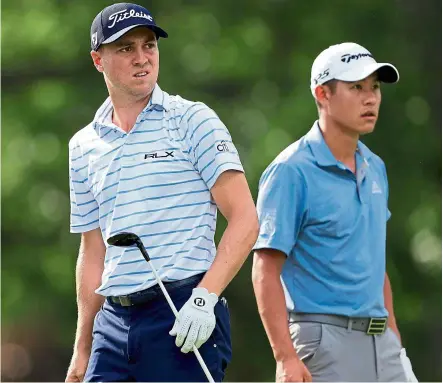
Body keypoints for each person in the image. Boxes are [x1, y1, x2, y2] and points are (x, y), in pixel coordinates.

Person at [66, 3, 259, 382]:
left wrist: (204, 299)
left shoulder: (192, 120)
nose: (142, 59)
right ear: (97, 60)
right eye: (126, 49)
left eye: (149, 45)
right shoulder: (83, 145)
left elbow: (246, 219)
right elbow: (93, 250)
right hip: (113, 325)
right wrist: (83, 346)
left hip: (181, 314)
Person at [252, 42, 418, 382]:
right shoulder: (291, 171)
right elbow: (265, 269)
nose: (370, 98)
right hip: (323, 342)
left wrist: (394, 335)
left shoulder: (375, 166)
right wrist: (285, 358)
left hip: (382, 342)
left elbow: (374, 262)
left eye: (374, 87)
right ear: (322, 94)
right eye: (356, 87)